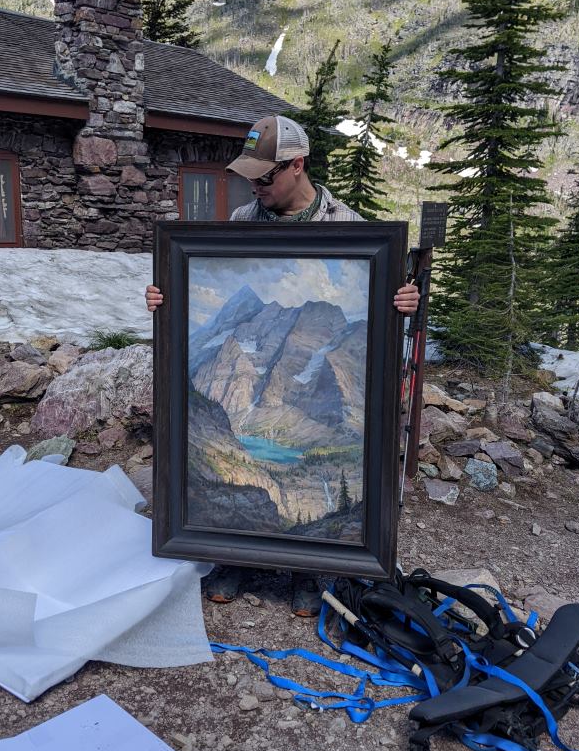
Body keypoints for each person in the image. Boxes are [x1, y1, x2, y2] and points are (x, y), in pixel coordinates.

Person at [146, 115, 419, 616]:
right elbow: (187, 290)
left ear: (298, 165)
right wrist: (168, 295)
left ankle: (311, 568)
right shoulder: (238, 226)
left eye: (264, 176)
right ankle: (231, 554)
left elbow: (388, 311)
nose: (254, 185)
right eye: (249, 175)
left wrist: (403, 299)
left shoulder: (352, 230)